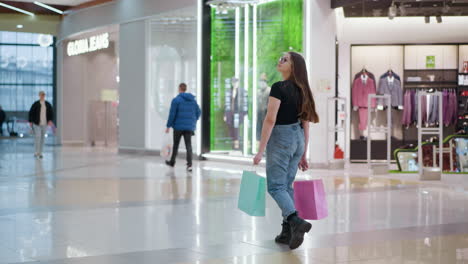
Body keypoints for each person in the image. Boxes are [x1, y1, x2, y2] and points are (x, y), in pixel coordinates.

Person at [253, 52, 319, 250]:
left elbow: (270, 119)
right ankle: (286, 232)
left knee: (275, 187)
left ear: (293, 66)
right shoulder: (303, 89)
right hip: (297, 138)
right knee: (286, 186)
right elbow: (305, 124)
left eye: (285, 59)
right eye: (280, 58)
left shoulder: (278, 88)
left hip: (281, 138)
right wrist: (304, 152)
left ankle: (295, 220)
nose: (280, 61)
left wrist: (260, 150)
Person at [165, 83, 201, 172]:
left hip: (178, 126)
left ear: (179, 89)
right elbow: (198, 112)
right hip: (189, 127)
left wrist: (168, 126)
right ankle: (190, 165)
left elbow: (172, 114)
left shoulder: (176, 100)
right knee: (188, 145)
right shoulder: (193, 101)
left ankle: (172, 162)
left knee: (176, 145)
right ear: (186, 89)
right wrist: (193, 121)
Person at [29, 91, 54, 159]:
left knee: (42, 138)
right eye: (41, 95)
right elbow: (31, 112)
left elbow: (51, 113)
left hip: (44, 123)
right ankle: (36, 151)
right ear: (39, 95)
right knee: (38, 137)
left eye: (43, 95)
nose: (42, 96)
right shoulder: (36, 104)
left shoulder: (47, 104)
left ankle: (41, 152)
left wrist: (50, 120)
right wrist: (30, 121)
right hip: (36, 123)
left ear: (44, 96)